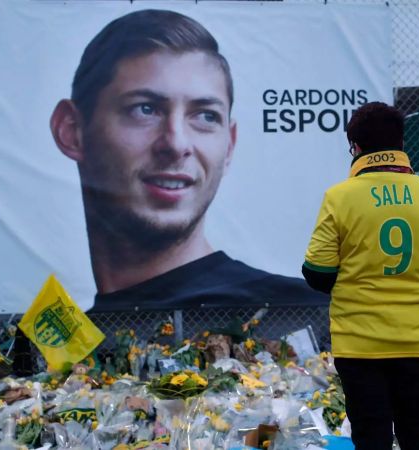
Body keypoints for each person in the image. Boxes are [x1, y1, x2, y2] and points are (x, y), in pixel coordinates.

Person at [50, 9, 325, 311]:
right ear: (72, 131)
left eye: (206, 116)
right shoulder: (60, 346)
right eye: (144, 109)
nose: (176, 143)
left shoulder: (303, 316)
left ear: (229, 145)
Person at [302, 102, 419, 449]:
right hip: (417, 341)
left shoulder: (339, 197)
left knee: (370, 434)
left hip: (359, 344)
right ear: (400, 143)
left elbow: (317, 273)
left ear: (355, 147)